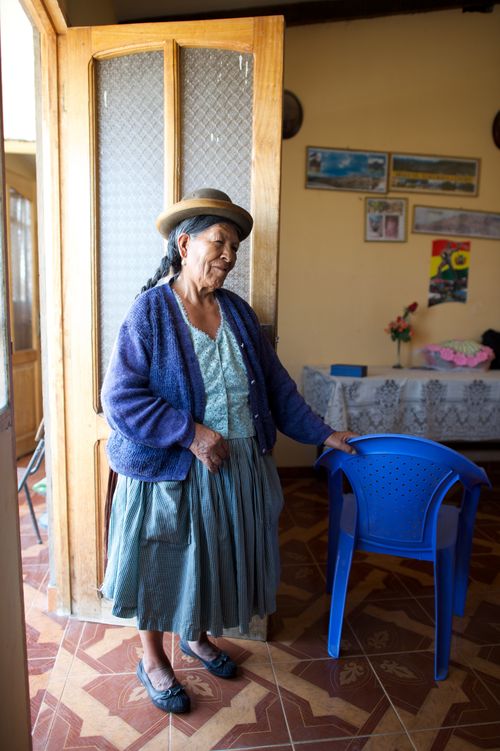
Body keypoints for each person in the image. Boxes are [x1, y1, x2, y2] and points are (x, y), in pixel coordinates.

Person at [101, 188, 357, 715]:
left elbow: (277, 386)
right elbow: (120, 397)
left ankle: (195, 635)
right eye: (220, 242)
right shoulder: (150, 312)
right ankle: (152, 658)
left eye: (235, 247)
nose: (229, 256)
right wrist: (190, 432)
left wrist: (323, 433)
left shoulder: (238, 313)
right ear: (185, 243)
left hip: (236, 467)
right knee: (159, 562)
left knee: (211, 561)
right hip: (172, 470)